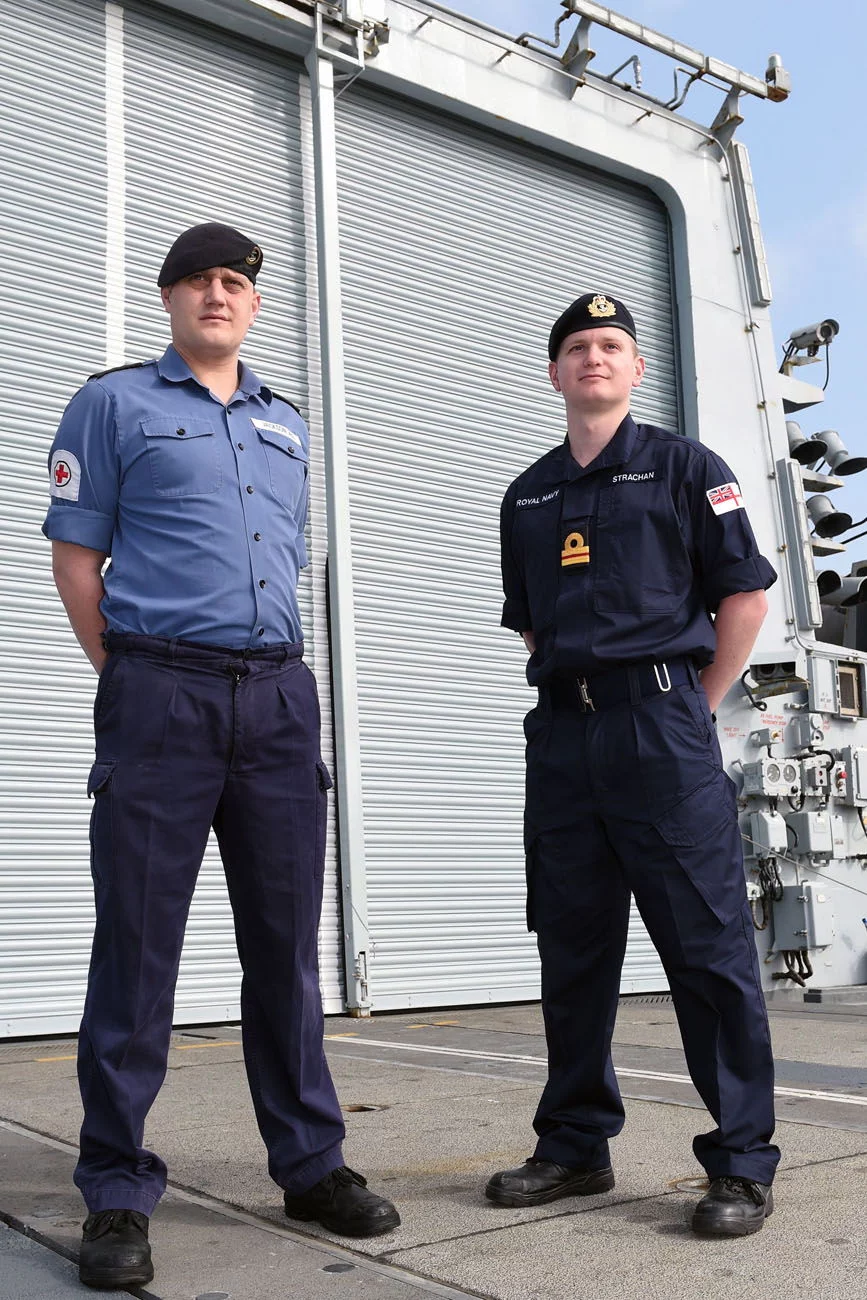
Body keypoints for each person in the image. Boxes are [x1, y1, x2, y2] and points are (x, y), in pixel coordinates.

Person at [43, 222, 399, 1290]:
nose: (217, 294)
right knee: (138, 948)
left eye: (235, 281)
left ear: (252, 304)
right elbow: (77, 558)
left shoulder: (287, 424)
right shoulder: (112, 404)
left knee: (286, 951)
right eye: (199, 280)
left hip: (280, 702)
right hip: (162, 694)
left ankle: (311, 1161)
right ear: (169, 299)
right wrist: (134, 674)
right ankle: (114, 1185)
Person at [487, 292, 779, 1237]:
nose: (594, 359)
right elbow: (531, 621)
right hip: (564, 738)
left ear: (635, 368)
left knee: (704, 948)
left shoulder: (685, 470)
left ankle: (739, 1163)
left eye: (611, 345)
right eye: (576, 348)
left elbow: (742, 597)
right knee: (572, 950)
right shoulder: (526, 494)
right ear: (553, 373)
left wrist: (690, 704)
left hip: (662, 730)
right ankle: (574, 1146)